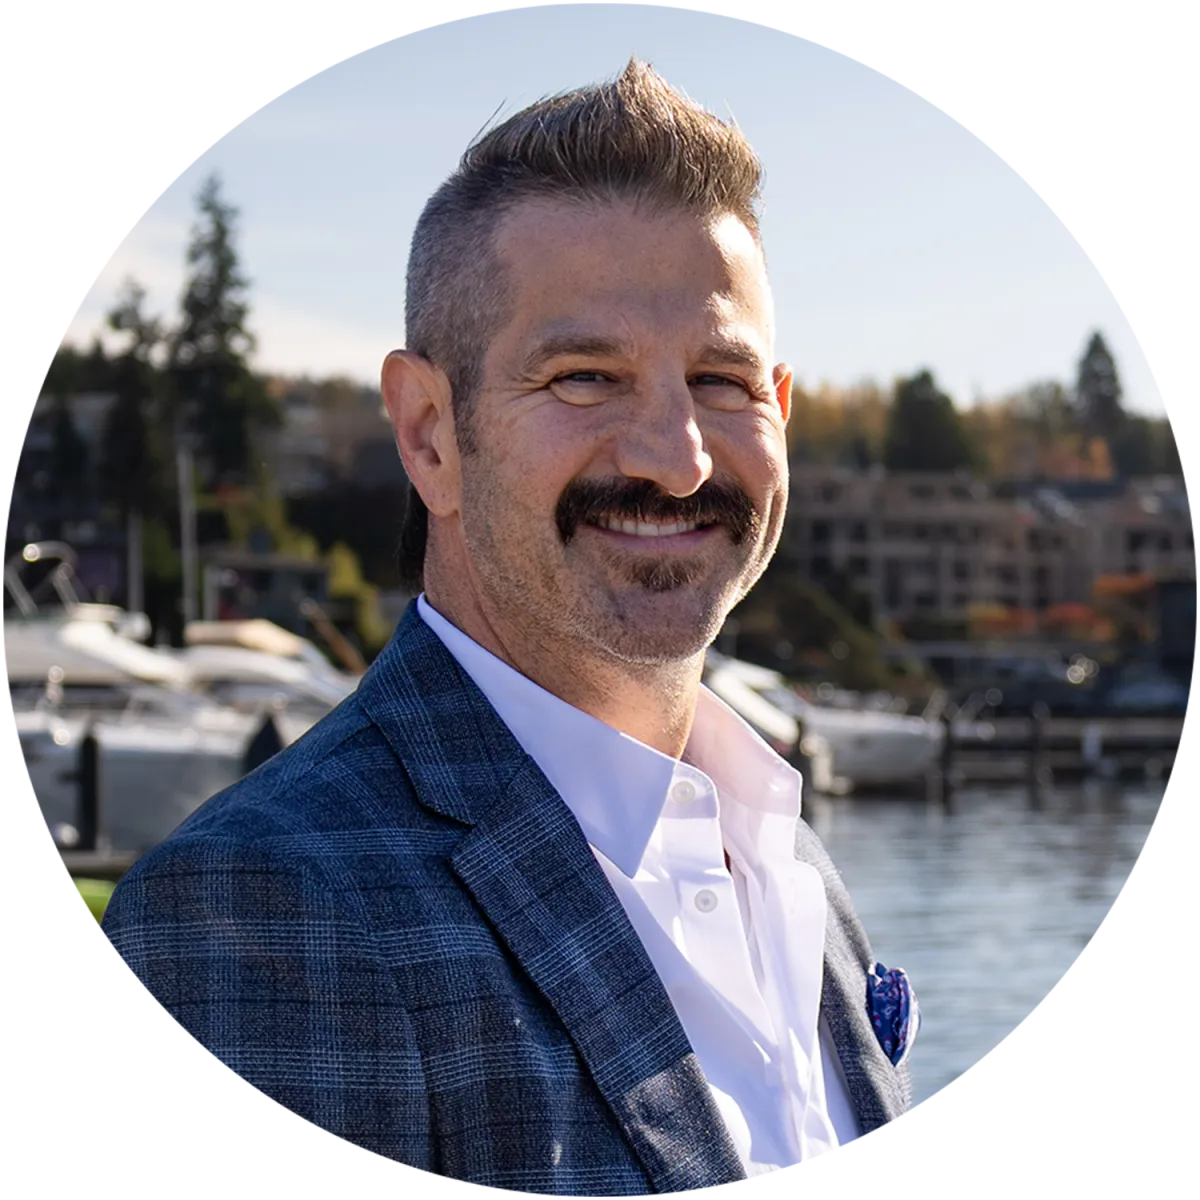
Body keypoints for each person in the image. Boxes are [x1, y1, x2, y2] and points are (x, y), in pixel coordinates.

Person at [100, 60, 917, 1195]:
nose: (675, 456)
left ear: (780, 411)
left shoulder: (791, 866)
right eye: (587, 378)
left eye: (721, 381)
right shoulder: (262, 913)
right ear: (430, 432)